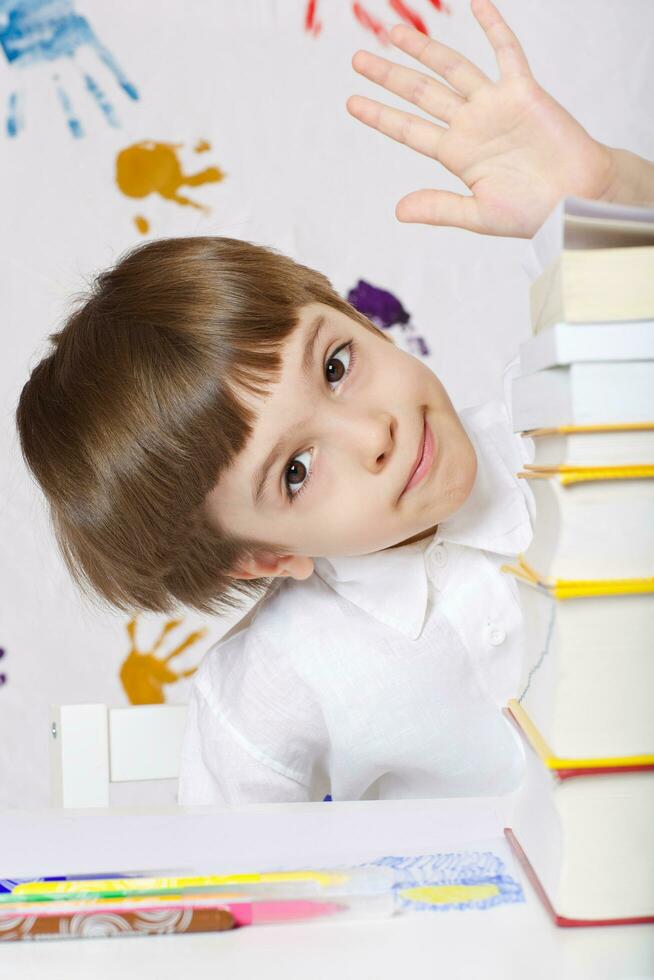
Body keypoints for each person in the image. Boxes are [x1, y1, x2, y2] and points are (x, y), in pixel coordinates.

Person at [15, 1, 654, 805]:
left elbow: (632, 313)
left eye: (338, 364)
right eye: (295, 471)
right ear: (264, 558)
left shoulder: (553, 426)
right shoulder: (281, 683)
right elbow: (249, 900)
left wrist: (600, 193)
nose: (374, 433)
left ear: (354, 318)